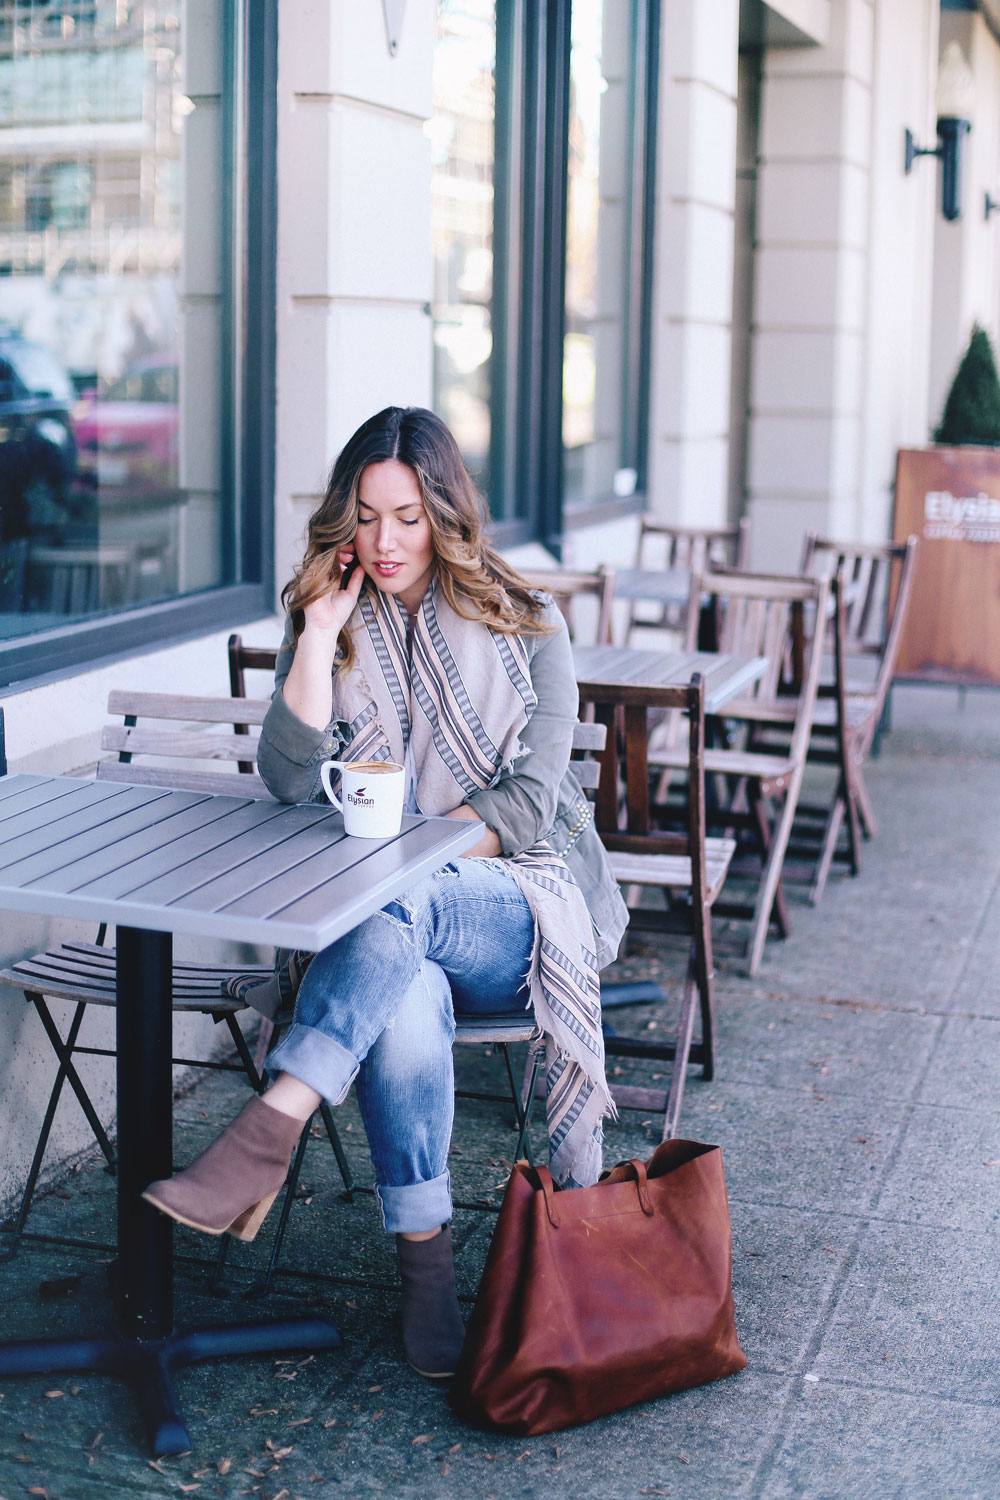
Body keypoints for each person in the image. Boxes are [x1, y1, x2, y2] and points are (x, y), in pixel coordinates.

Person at [142, 406, 628, 1379]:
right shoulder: (330, 617)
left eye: (406, 516)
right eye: (365, 516)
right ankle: (426, 1281)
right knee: (401, 996)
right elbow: (285, 783)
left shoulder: (528, 623)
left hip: (517, 911)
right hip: (388, 941)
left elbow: (531, 809)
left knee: (399, 901)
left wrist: (414, 863)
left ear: (444, 514)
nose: (384, 541)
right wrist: (318, 640)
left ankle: (269, 1123)